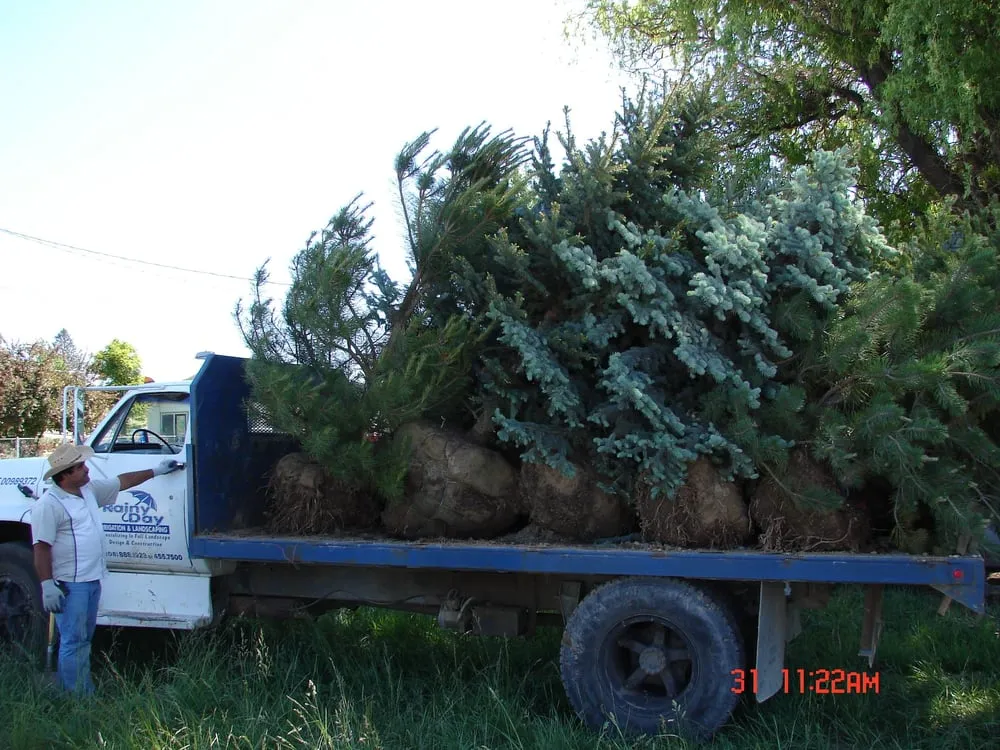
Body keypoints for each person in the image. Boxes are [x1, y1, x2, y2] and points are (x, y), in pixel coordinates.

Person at [30, 442, 181, 694]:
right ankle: (78, 698)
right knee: (73, 640)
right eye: (80, 467)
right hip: (70, 584)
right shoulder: (50, 505)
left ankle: (78, 689)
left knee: (84, 639)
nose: (86, 470)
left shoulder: (88, 490)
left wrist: (156, 471)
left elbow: (121, 482)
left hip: (91, 581)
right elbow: (41, 547)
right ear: (65, 474)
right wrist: (47, 584)